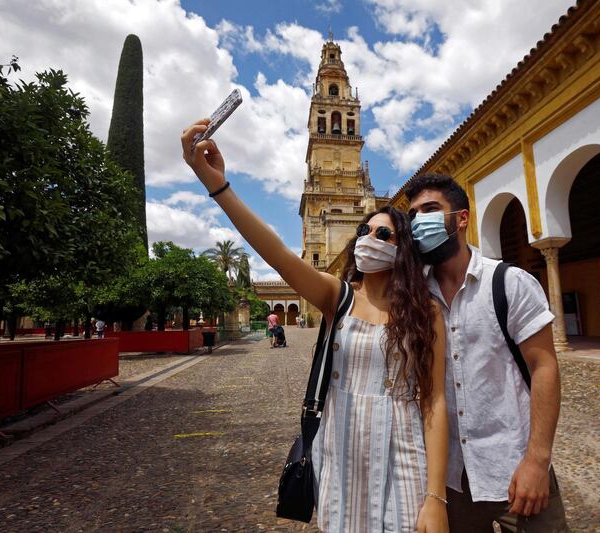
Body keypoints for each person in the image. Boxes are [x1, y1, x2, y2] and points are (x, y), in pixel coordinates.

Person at [182, 123, 449, 533]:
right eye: (363, 230)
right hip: (340, 452)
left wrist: (435, 497)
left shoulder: (425, 311)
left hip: (404, 455)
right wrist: (217, 185)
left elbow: (433, 404)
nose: (367, 238)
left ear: (402, 248)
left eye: (382, 233)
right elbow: (275, 252)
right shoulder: (336, 297)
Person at [404, 174, 569, 532]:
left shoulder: (509, 283)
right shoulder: (416, 299)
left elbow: (544, 367)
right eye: (413, 214)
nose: (419, 221)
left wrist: (537, 462)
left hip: (516, 471)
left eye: (430, 210)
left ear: (461, 218)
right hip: (451, 482)